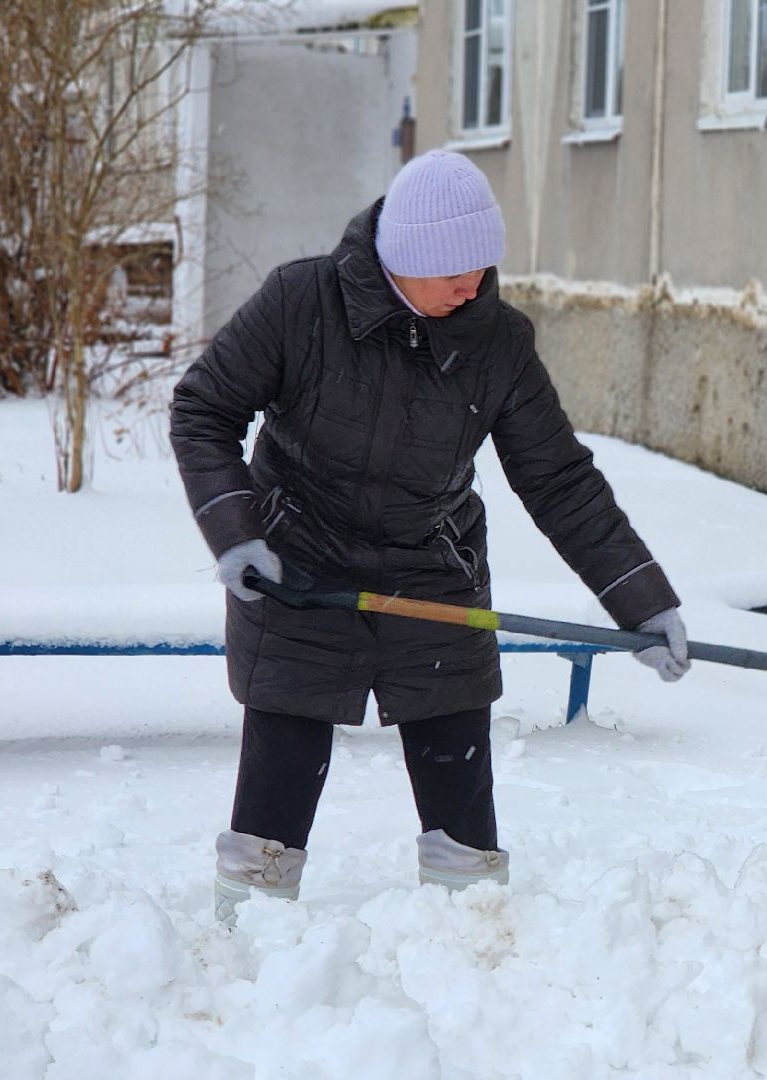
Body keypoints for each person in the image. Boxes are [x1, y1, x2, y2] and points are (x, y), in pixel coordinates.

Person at [170, 151, 689, 921]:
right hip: (300, 575)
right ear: (401, 259)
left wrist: (640, 600)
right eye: (453, 271)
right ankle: (244, 944)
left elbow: (559, 479)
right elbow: (202, 411)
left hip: (431, 577)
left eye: (482, 267)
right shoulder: (301, 302)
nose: (472, 286)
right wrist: (237, 531)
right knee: (275, 795)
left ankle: (472, 941)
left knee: (461, 807)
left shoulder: (498, 343)